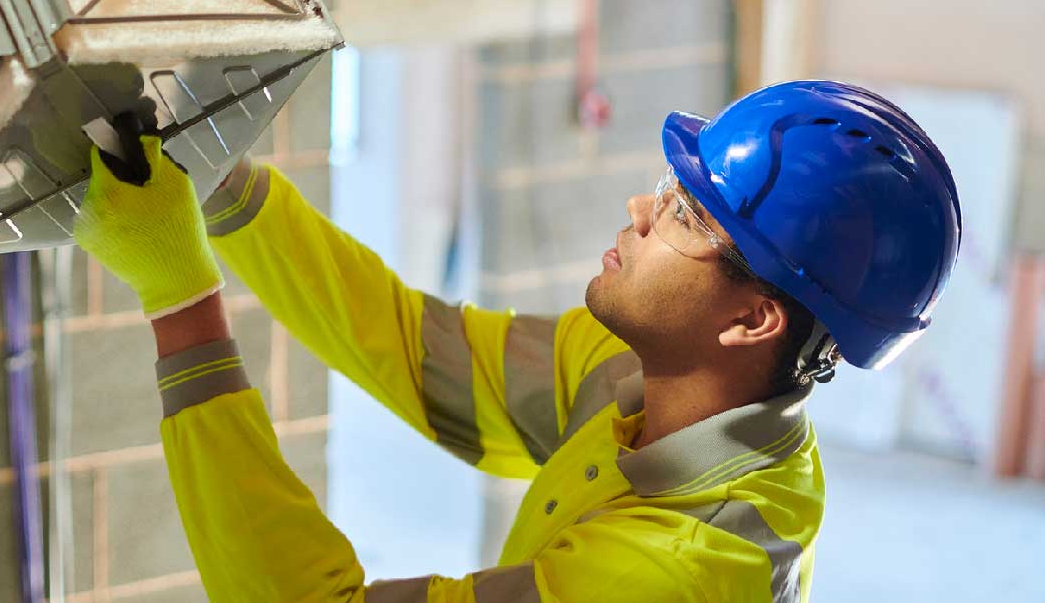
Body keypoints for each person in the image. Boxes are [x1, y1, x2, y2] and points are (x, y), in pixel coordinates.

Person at [72, 79, 961, 603]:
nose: (641, 211)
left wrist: (179, 297)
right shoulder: (642, 377)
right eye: (668, 186)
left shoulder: (679, 573)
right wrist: (220, 179)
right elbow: (422, 356)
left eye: (687, 215)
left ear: (753, 320)